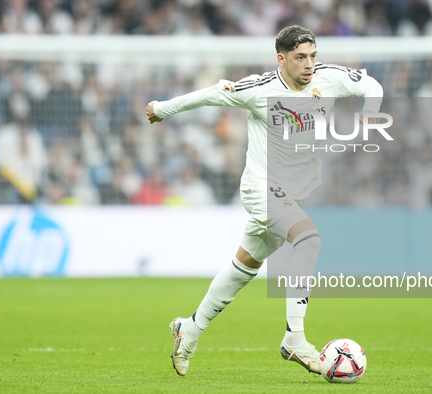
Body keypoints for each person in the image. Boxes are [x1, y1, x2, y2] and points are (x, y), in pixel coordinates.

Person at [145, 25, 383, 376]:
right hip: (263, 187)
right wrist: (162, 109)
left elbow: (370, 84)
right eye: (301, 57)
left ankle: (189, 329)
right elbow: (211, 94)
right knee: (309, 240)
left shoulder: (329, 79)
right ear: (281, 59)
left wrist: (371, 110)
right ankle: (295, 340)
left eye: (313, 56)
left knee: (244, 268)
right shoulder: (260, 89)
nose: (309, 64)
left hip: (293, 195)